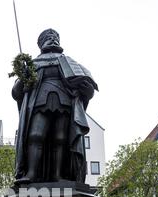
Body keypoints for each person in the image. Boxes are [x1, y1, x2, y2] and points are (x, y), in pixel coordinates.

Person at [12, 28, 98, 184]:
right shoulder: (33, 64)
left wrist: (89, 91)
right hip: (39, 101)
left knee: (61, 138)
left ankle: (58, 175)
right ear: (41, 43)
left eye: (54, 37)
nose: (52, 39)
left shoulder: (70, 62)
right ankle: (31, 173)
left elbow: (86, 88)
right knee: (35, 135)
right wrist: (22, 80)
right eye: (48, 37)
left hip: (64, 102)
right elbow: (16, 92)